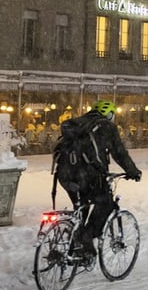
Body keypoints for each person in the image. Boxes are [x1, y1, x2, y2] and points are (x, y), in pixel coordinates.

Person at [55, 100, 142, 260]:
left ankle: (76, 247)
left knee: (82, 207)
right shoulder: (106, 127)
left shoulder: (78, 124)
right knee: (106, 204)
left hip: (65, 175)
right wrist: (132, 171)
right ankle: (86, 238)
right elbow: (119, 153)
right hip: (88, 175)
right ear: (109, 114)